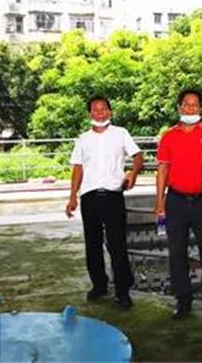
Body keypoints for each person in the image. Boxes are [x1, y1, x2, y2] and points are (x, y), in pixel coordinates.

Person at [66, 95, 143, 309]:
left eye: (103, 109)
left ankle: (122, 291)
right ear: (89, 114)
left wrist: (133, 174)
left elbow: (138, 156)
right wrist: (72, 196)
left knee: (117, 244)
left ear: (110, 112)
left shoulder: (121, 134)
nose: (99, 113)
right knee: (92, 245)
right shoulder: (82, 139)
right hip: (89, 196)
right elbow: (78, 168)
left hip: (112, 195)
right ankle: (99, 285)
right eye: (95, 109)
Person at [155, 88, 202, 318]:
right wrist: (160, 201)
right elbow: (163, 169)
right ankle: (183, 301)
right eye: (186, 104)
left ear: (200, 108)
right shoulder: (169, 136)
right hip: (176, 201)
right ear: (179, 107)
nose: (190, 108)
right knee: (176, 252)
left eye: (194, 104)